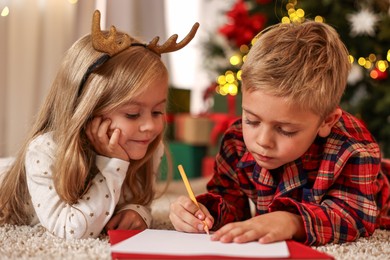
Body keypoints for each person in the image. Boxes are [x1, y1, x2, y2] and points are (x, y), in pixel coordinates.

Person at [169, 20, 390, 246]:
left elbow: (355, 217)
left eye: (285, 130)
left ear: (326, 121)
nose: (262, 141)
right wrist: (205, 213)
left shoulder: (354, 149)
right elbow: (232, 202)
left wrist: (291, 222)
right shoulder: (236, 142)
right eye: (251, 120)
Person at [0, 10, 199, 239]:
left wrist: (137, 212)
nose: (150, 127)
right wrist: (114, 165)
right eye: (133, 114)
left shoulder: (150, 148)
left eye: (157, 112)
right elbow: (72, 231)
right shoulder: (44, 151)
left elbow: (138, 200)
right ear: (87, 113)